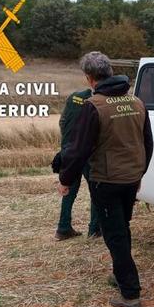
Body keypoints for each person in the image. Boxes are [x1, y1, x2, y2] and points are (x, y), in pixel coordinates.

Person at [58, 52, 153, 307]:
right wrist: (140, 173)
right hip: (131, 177)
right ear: (110, 72)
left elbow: (79, 150)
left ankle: (130, 293)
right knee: (122, 226)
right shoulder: (136, 102)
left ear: (89, 79)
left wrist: (65, 179)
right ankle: (119, 274)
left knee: (114, 234)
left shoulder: (94, 105)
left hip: (106, 180)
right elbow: (148, 143)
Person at [54, 86, 101, 241]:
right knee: (96, 190)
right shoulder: (98, 101)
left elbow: (62, 122)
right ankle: (94, 230)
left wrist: (69, 144)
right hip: (88, 153)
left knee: (69, 190)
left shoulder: (74, 97)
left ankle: (63, 228)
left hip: (69, 152)